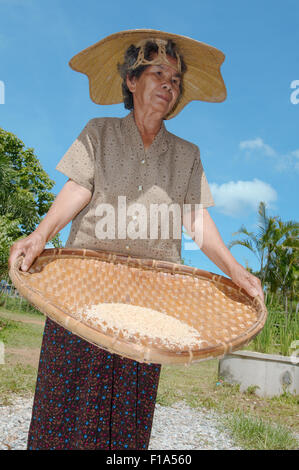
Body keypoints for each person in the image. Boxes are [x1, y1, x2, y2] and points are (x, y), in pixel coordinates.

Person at [9, 30, 264, 450]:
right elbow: (79, 189)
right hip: (82, 290)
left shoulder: (187, 155)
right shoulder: (99, 133)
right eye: (159, 73)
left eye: (176, 78)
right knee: (66, 404)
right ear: (132, 80)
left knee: (125, 422)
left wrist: (235, 270)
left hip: (150, 303)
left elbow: (196, 219)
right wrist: (40, 235)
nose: (169, 84)